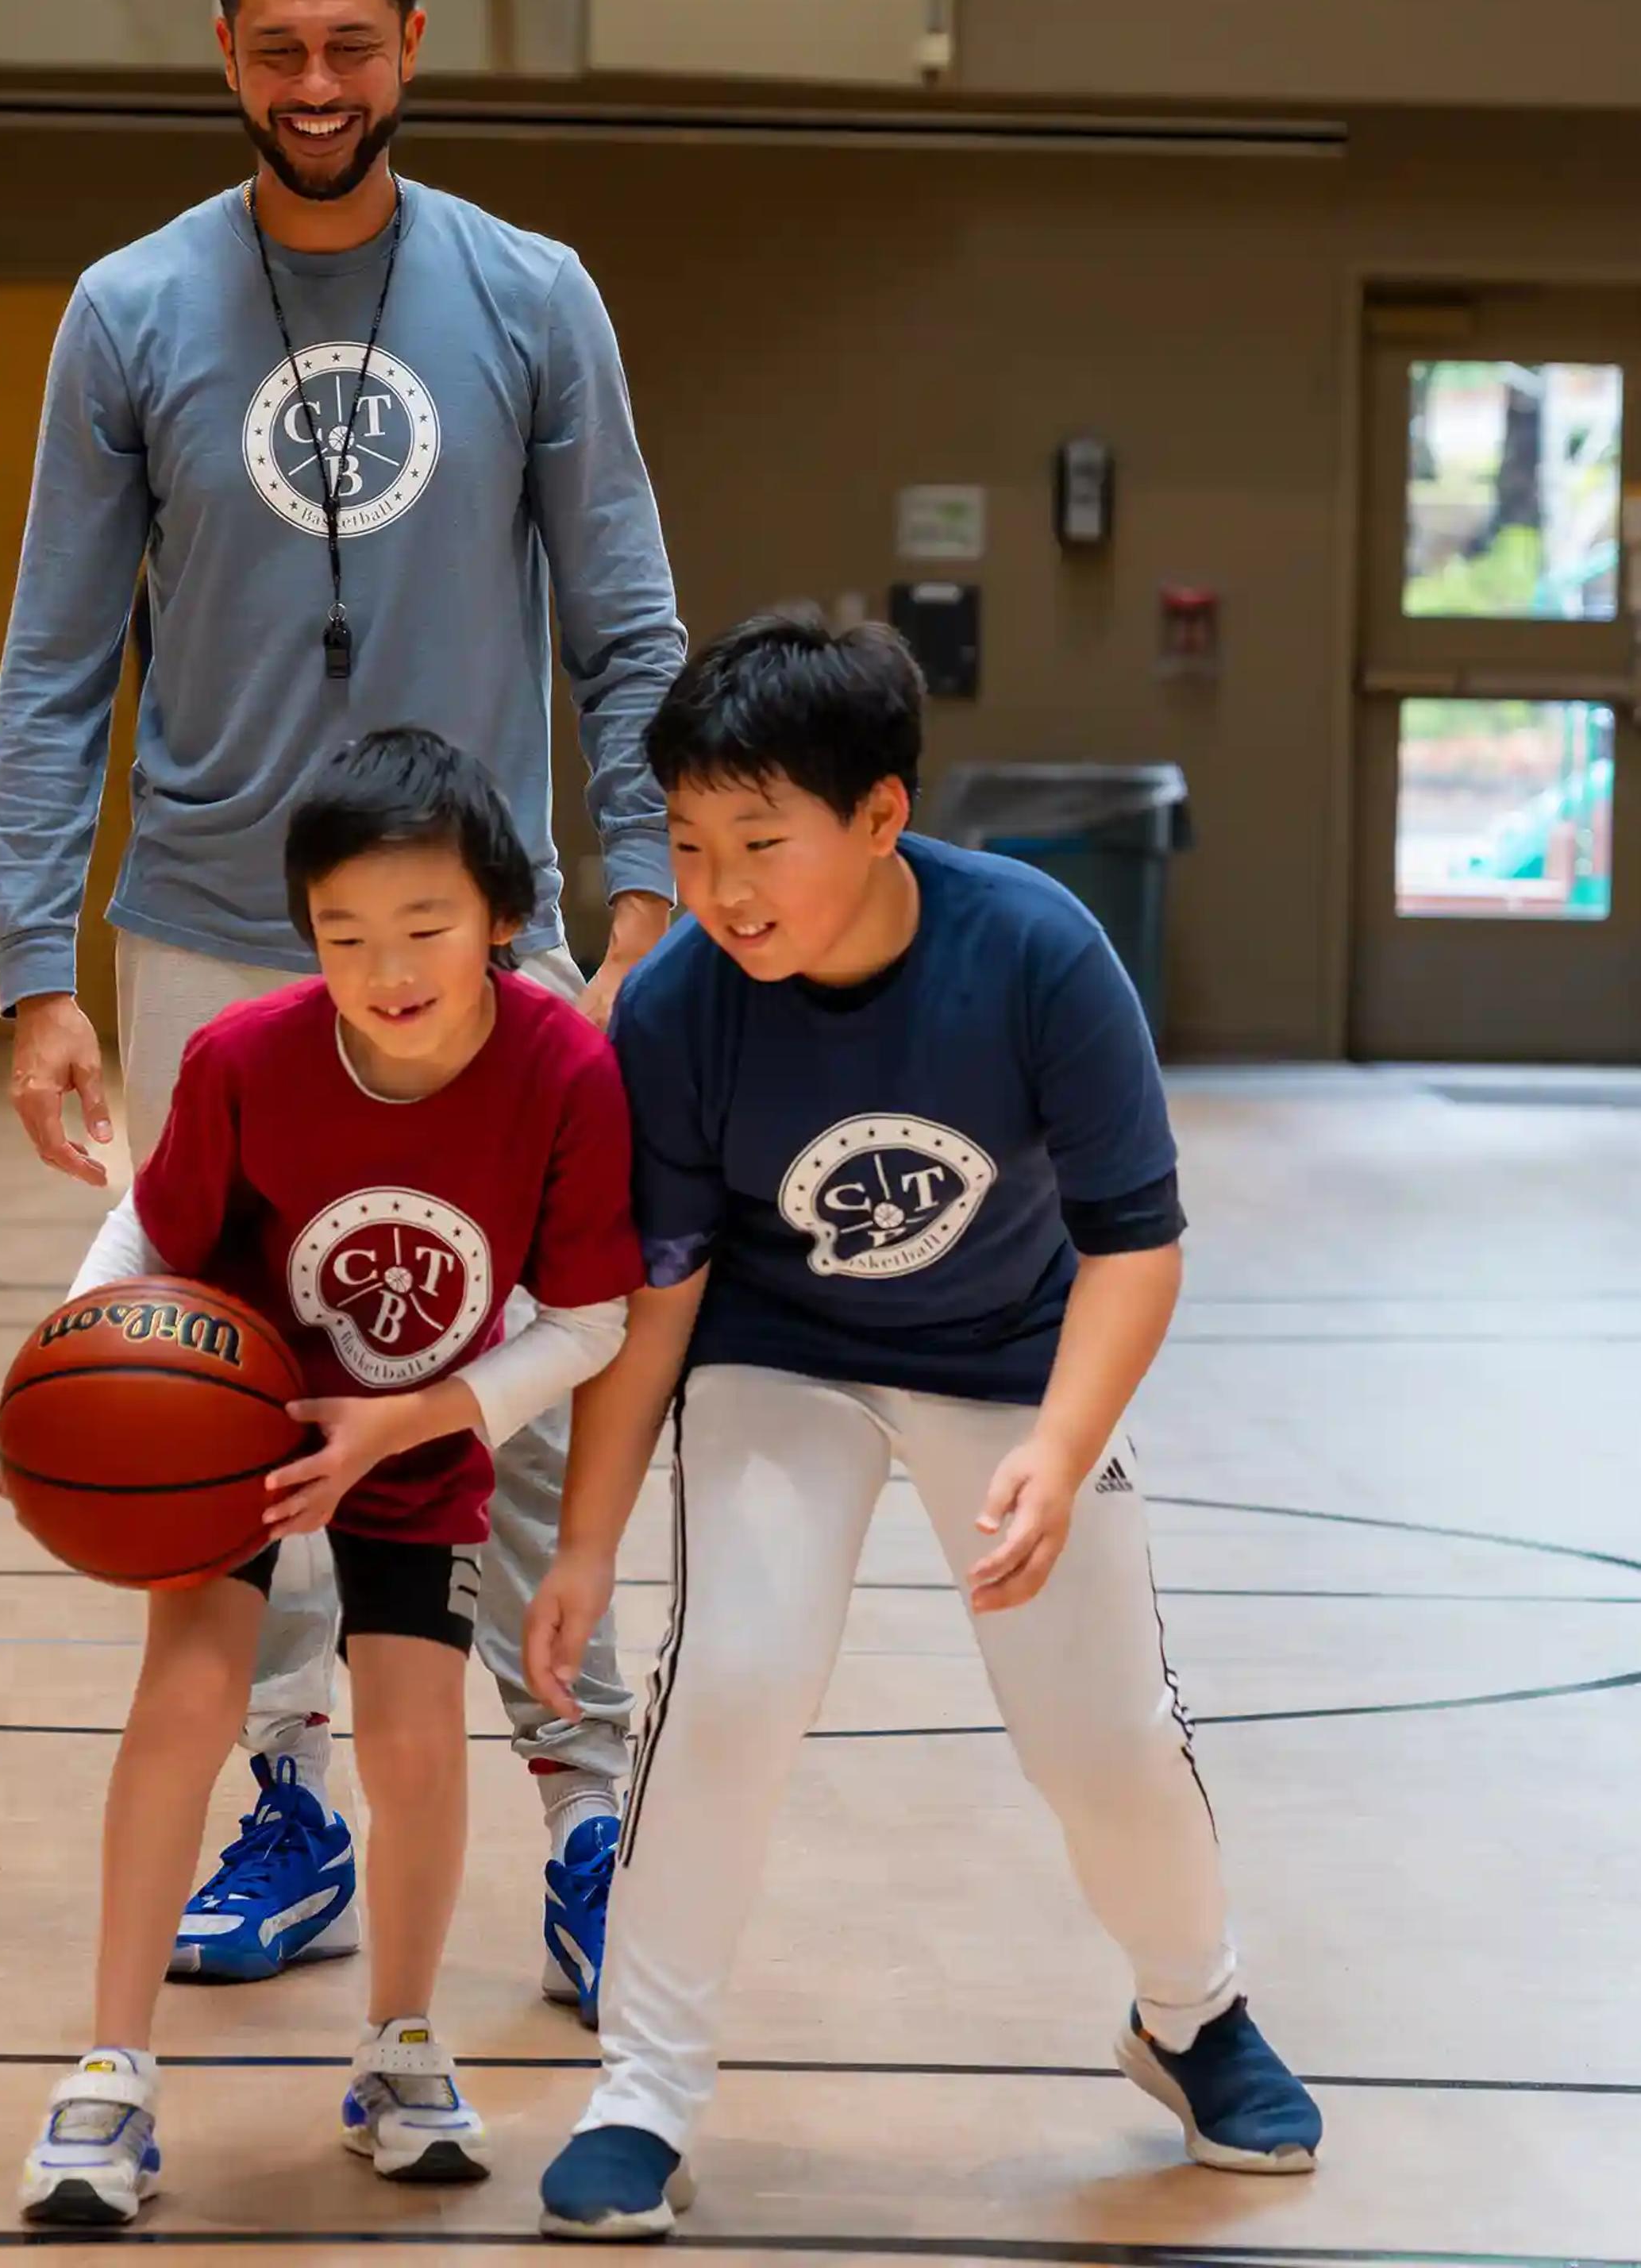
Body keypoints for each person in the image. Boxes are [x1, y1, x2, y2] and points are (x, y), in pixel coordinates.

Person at [0, 0, 683, 2011]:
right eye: (278, 50)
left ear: (409, 48)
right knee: (234, 1391)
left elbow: (630, 618)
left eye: (351, 46)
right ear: (228, 59)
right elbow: (50, 670)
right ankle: (285, 1795)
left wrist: (637, 896)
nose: (316, 84)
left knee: (527, 1402)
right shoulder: (130, 311)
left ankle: (584, 1817)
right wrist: (37, 968)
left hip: (497, 946)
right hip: (204, 932)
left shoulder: (535, 295)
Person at [522, 613, 1324, 2239]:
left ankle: (1197, 2012)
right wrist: (588, 1543)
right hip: (779, 1353)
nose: (723, 885)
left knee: (1102, 1733)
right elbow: (663, 1298)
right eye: (689, 844)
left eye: (761, 842)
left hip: (1020, 1358)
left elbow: (1137, 1243)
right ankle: (647, 2086)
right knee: (734, 1683)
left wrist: (1062, 1441)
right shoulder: (678, 1007)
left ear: (881, 818)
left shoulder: (1035, 950)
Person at [15, 731, 642, 2228]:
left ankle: (400, 2044)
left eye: (423, 927)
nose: (388, 965)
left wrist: (419, 1416)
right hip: (231, 1423)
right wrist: (75, 1352)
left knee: (419, 1737)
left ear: (501, 917)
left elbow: (590, 1322)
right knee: (183, 1702)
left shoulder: (566, 1069)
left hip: (414, 1427)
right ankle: (112, 2066)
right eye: (346, 934)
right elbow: (150, 1243)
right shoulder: (247, 1059)